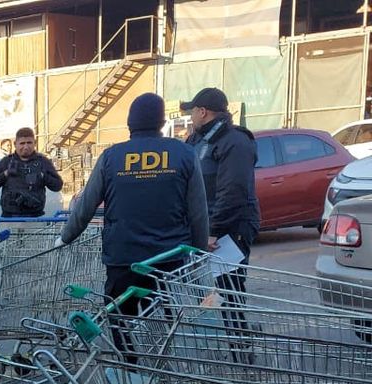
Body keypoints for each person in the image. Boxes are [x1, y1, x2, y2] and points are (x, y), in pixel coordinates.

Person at [61, 93, 210, 355]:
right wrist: (198, 252)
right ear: (161, 122)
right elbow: (198, 212)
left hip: (123, 260)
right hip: (168, 261)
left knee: (121, 321)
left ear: (130, 123)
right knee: (162, 324)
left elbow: (86, 205)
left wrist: (66, 236)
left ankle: (130, 373)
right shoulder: (184, 154)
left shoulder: (112, 157)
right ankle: (161, 372)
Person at [181, 87, 260, 275]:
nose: (191, 116)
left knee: (227, 285)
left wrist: (213, 231)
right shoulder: (196, 140)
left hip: (231, 228)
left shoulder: (235, 141)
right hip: (206, 225)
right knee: (205, 288)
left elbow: (233, 192)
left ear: (202, 112)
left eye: (192, 111)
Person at [0, 127, 64, 218]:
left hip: (35, 219)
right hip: (10, 218)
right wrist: (5, 174)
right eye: (22, 143)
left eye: (29, 143)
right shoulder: (6, 162)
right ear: (15, 144)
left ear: (34, 143)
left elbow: (58, 186)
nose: (26, 147)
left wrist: (43, 176)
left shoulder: (42, 161)